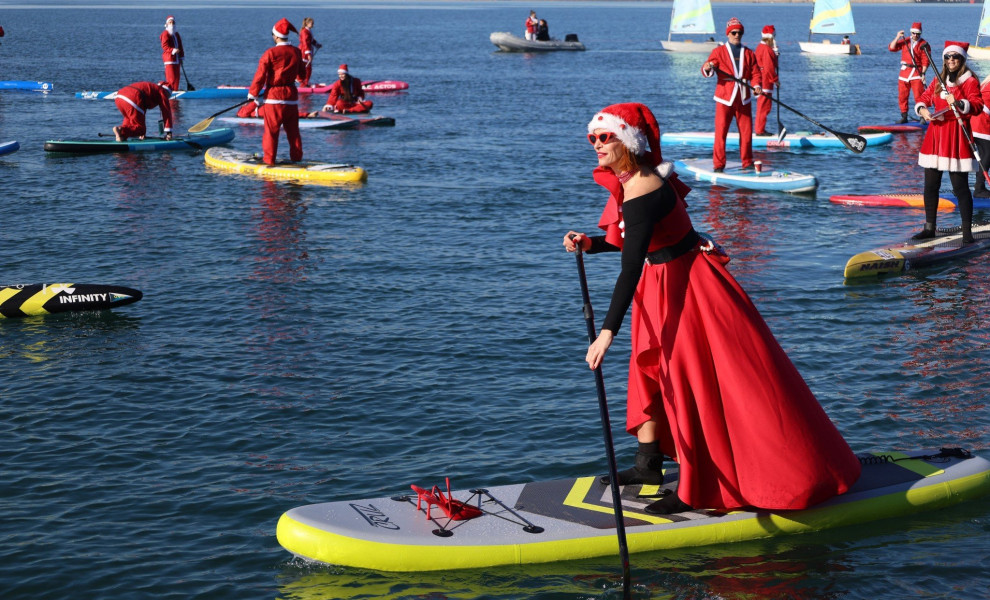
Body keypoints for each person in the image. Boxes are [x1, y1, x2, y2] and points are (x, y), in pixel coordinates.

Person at [563, 102, 861, 514]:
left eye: (604, 137)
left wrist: (606, 333)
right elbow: (635, 242)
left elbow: (630, 267)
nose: (596, 145)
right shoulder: (633, 181)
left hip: (687, 289)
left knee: (689, 382)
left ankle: (695, 486)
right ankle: (648, 465)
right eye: (592, 138)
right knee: (651, 374)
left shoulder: (642, 188)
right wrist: (591, 243)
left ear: (627, 142)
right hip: (662, 282)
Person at [914, 41, 983, 243]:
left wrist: (960, 103)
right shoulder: (939, 78)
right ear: (944, 59)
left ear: (962, 59)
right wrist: (923, 110)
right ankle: (929, 228)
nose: (951, 60)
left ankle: (967, 233)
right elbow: (924, 97)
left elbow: (977, 104)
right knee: (930, 185)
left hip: (956, 135)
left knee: (960, 187)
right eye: (947, 56)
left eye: (955, 57)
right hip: (936, 135)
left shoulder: (969, 81)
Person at [702, 17, 762, 172]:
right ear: (728, 34)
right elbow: (708, 67)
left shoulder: (749, 53)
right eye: (734, 32)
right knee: (721, 132)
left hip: (743, 97)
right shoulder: (718, 52)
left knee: (746, 132)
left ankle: (747, 162)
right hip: (724, 97)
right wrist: (708, 67)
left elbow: (756, 73)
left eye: (739, 33)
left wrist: (756, 86)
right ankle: (719, 165)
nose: (737, 35)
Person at [248, 18, 304, 166]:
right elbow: (303, 75)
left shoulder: (270, 53)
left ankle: (269, 161)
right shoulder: (297, 52)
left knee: (271, 132)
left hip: (274, 98)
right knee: (293, 132)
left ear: (276, 36)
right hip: (291, 98)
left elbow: (260, 75)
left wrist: (253, 94)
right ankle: (297, 159)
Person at [889, 23, 930, 124]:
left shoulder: (924, 44)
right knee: (902, 96)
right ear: (911, 32)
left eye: (918, 34)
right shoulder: (905, 41)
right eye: (913, 33)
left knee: (919, 96)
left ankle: (922, 116)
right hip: (904, 72)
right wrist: (897, 37)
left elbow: (926, 60)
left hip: (917, 72)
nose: (915, 35)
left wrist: (923, 73)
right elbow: (892, 48)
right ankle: (904, 116)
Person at [754, 25, 779, 137]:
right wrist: (775, 80)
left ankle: (760, 129)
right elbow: (769, 68)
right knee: (764, 107)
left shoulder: (762, 48)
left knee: (764, 106)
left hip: (763, 81)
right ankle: (759, 130)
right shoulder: (766, 49)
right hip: (765, 82)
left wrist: (774, 54)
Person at [971, 72, 990, 198]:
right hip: (981, 121)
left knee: (985, 154)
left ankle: (978, 186)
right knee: (987, 154)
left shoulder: (987, 82)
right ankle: (979, 188)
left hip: (976, 119)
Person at [160, 15, 184, 92]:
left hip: (177, 59)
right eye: (170, 23)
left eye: (173, 23)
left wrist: (181, 57)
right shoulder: (165, 34)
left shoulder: (176, 34)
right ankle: (166, 89)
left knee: (177, 78)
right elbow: (165, 46)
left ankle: (175, 91)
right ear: (167, 24)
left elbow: (180, 46)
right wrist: (173, 50)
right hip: (169, 59)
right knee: (171, 78)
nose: (172, 24)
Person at [297, 17, 321, 87]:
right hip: (304, 52)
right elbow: (305, 43)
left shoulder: (308, 31)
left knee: (308, 67)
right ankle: (303, 83)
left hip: (306, 51)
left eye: (313, 23)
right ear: (307, 23)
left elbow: (311, 40)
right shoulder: (305, 32)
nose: (313, 24)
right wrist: (308, 54)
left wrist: (317, 44)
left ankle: (305, 82)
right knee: (307, 67)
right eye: (311, 23)